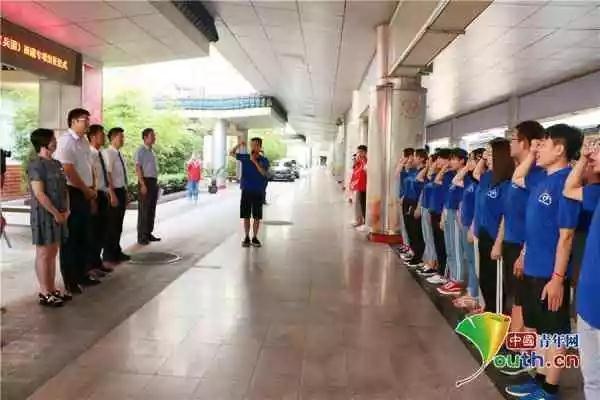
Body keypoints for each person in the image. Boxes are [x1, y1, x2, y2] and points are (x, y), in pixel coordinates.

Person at [506, 124, 583, 400]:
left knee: (556, 332)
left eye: (544, 144)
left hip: (551, 272)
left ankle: (550, 388)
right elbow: (517, 177)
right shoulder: (540, 179)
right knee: (540, 328)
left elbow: (566, 236)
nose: (538, 149)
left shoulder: (566, 182)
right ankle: (539, 379)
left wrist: (558, 278)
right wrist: (524, 254)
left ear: (560, 149)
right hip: (532, 267)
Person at [501, 121, 546, 340]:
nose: (510, 143)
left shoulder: (538, 175)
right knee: (515, 294)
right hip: (512, 242)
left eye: (514, 139)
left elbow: (537, 220)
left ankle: (519, 343)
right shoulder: (521, 172)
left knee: (523, 298)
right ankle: (515, 338)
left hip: (523, 245)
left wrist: (524, 252)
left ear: (526, 143)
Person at [563, 137, 600, 400]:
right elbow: (570, 188)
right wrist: (585, 159)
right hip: (588, 306)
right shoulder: (596, 193)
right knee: (592, 380)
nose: (593, 152)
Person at [54, 108, 100, 295]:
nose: (88, 123)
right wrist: (85, 190)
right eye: (84, 120)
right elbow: (68, 169)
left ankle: (82, 274)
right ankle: (70, 280)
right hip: (73, 192)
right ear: (73, 121)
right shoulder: (66, 141)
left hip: (86, 192)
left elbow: (89, 167)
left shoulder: (83, 142)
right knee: (71, 238)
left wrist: (92, 189)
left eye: (88, 119)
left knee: (84, 235)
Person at [28, 128, 70, 306]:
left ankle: (52, 288)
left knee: (53, 252)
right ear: (43, 142)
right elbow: (39, 193)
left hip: (59, 213)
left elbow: (65, 188)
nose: (55, 141)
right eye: (53, 139)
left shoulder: (56, 163)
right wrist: (55, 213)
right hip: (44, 214)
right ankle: (44, 292)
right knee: (44, 253)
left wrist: (66, 210)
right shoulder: (36, 165)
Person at [473, 138, 513, 313]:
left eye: (490, 154)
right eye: (486, 154)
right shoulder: (488, 177)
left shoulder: (507, 182)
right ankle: (488, 310)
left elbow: (506, 215)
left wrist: (498, 242)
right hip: (483, 234)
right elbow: (476, 173)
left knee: (495, 282)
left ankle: (497, 316)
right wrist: (484, 158)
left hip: (495, 237)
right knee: (484, 278)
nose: (486, 157)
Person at [452, 148, 485, 311]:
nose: (469, 163)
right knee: (471, 260)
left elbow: (479, 208)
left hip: (474, 227)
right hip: (465, 224)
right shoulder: (469, 181)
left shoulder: (482, 182)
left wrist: (472, 226)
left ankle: (476, 296)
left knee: (476, 262)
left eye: (472, 160)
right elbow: (456, 180)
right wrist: (467, 168)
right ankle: (472, 291)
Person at [437, 148, 467, 296]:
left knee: (456, 248)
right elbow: (447, 198)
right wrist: (443, 215)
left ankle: (458, 279)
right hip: (448, 212)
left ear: (462, 161)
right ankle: (452, 276)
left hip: (457, 213)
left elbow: (463, 200)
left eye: (455, 159)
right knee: (449, 246)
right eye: (451, 159)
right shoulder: (452, 176)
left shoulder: (465, 177)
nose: (451, 162)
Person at [229, 137, 270, 247]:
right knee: (246, 215)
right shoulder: (245, 157)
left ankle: (255, 237)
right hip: (246, 190)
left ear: (260, 147)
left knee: (256, 216)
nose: (253, 147)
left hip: (258, 191)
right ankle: (246, 236)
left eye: (255, 145)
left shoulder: (264, 160)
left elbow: (264, 173)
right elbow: (231, 153)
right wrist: (239, 144)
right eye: (251, 145)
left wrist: (255, 162)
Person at [87, 124, 112, 278]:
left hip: (103, 193)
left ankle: (98, 262)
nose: (103, 137)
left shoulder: (101, 153)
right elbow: (90, 176)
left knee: (102, 230)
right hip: (95, 194)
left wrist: (109, 192)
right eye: (101, 134)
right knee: (93, 232)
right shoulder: (89, 154)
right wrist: (92, 198)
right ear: (93, 136)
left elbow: (104, 175)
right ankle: (90, 265)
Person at [103, 127, 131, 264]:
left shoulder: (119, 154)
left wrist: (126, 191)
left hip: (120, 190)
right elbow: (107, 174)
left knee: (118, 224)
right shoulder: (108, 153)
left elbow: (121, 175)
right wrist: (112, 193)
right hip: (113, 191)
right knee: (112, 225)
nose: (123, 139)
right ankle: (109, 254)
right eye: (121, 137)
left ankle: (116, 251)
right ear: (113, 138)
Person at [401, 149, 427, 266]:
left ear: (421, 158)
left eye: (415, 157)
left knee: (416, 230)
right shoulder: (413, 170)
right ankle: (413, 252)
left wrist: (418, 207)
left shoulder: (423, 172)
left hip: (415, 202)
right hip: (407, 201)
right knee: (409, 229)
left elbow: (421, 189)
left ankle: (418, 256)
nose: (413, 159)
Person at [135, 128, 160, 245]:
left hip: (153, 181)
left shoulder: (152, 151)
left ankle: (148, 233)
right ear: (145, 138)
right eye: (152, 136)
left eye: (154, 136)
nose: (154, 138)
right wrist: (142, 184)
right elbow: (138, 167)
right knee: (144, 210)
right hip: (145, 181)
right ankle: (142, 236)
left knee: (151, 209)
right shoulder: (140, 151)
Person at [350, 145, 368, 231]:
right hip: (359, 186)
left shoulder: (366, 161)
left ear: (365, 152)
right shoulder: (359, 160)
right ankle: (359, 220)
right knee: (359, 203)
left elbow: (365, 170)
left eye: (360, 152)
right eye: (358, 152)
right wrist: (355, 162)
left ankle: (364, 222)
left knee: (364, 204)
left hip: (364, 186)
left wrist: (361, 161)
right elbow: (354, 169)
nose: (359, 154)